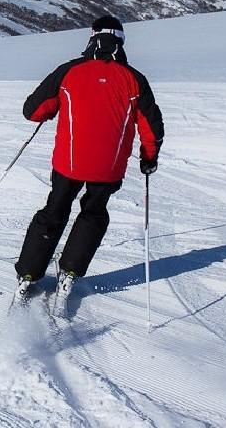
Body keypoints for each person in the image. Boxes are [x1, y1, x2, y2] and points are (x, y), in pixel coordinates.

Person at [14, 16, 164, 301]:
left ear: (92, 38)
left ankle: (29, 273)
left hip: (68, 163)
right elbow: (151, 127)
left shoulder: (69, 71)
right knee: (93, 214)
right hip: (109, 168)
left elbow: (32, 111)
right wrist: (149, 158)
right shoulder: (135, 79)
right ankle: (70, 271)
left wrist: (54, 109)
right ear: (121, 41)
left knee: (54, 211)